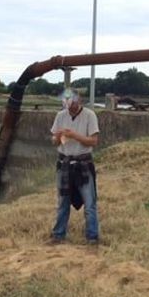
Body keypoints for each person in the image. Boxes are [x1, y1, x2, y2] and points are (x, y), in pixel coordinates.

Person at [48, 89, 100, 245]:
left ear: (80, 101)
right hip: (64, 163)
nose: (71, 105)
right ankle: (58, 235)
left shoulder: (90, 115)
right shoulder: (60, 116)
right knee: (63, 202)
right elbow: (54, 142)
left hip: (83, 163)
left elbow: (93, 141)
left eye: (73, 101)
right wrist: (57, 136)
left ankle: (92, 238)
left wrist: (73, 135)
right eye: (68, 101)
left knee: (89, 203)